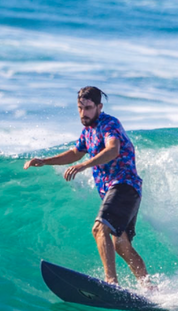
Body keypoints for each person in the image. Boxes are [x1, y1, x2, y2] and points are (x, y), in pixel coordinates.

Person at [24, 86, 150, 287]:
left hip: (123, 185)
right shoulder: (88, 131)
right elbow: (75, 153)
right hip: (121, 190)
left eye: (88, 108)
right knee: (121, 244)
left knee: (99, 229)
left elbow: (113, 149)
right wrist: (45, 161)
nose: (83, 113)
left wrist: (84, 165)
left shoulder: (109, 124)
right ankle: (150, 289)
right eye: (80, 108)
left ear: (99, 106)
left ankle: (111, 283)